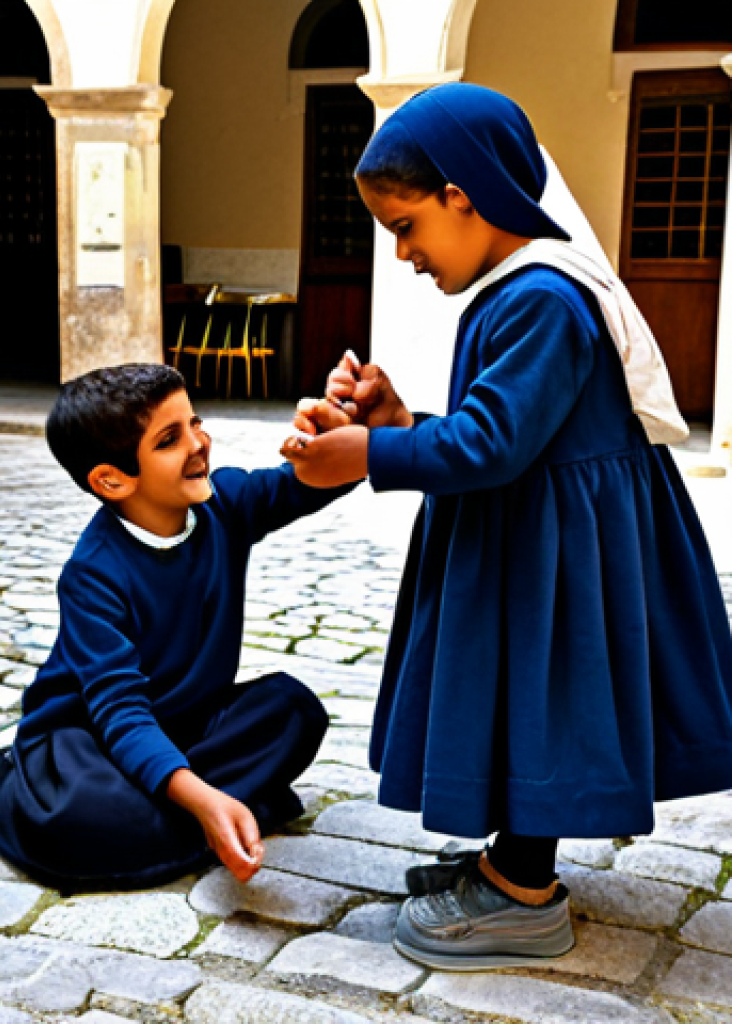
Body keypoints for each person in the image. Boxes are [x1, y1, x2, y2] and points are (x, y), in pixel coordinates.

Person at [283, 82, 732, 971]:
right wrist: (402, 423)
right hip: (535, 529)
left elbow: (492, 442)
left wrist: (366, 458)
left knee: (543, 703)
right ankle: (506, 863)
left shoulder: (541, 297)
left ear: (464, 195)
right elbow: (503, 424)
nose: (404, 254)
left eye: (407, 226)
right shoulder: (513, 290)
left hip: (558, 553)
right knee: (517, 700)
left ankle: (526, 895)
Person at [0, 363, 352, 892]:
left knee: (293, 710)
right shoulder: (93, 574)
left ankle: (189, 810)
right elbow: (121, 713)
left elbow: (312, 481)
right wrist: (205, 799)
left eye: (194, 422)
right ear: (112, 479)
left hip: (188, 728)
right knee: (95, 817)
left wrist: (351, 432)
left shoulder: (226, 504)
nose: (200, 442)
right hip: (88, 741)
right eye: (170, 439)